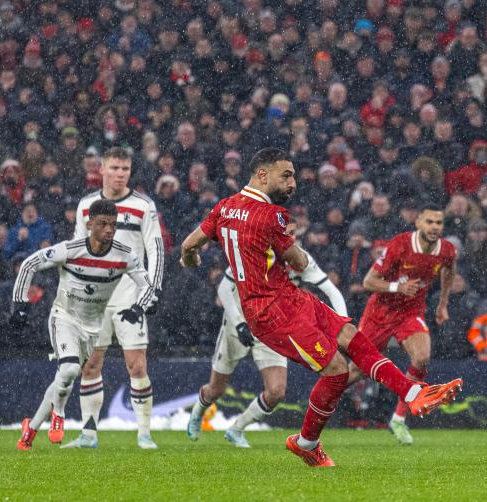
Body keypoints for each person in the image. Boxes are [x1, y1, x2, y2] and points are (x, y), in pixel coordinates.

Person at [179, 148, 461, 467]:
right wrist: (294, 251)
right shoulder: (271, 216)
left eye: (294, 176)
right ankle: (306, 443)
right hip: (271, 311)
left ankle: (413, 394)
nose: (293, 183)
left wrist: (191, 259)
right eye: (286, 175)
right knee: (337, 370)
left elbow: (189, 245)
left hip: (290, 298)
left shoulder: (224, 207)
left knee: (353, 337)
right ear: (262, 175)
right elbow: (299, 262)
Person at [14, 199, 157, 450]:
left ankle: (31, 428)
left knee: (64, 377)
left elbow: (148, 285)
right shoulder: (70, 250)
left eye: (113, 224)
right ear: (90, 224)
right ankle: (59, 414)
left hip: (93, 328)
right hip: (64, 318)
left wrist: (139, 307)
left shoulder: (124, 255)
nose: (109, 229)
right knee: (69, 370)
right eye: (102, 224)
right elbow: (29, 264)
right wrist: (20, 304)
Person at [185, 249, 348, 448]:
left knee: (276, 391)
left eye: (293, 234)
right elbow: (224, 288)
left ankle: (237, 429)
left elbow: (331, 290)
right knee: (216, 389)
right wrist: (239, 323)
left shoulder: (300, 258)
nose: (289, 236)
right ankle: (198, 412)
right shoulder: (254, 248)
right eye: (286, 233)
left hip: (272, 327)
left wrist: (342, 325)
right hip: (239, 324)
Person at [62, 147, 165, 450]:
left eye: (125, 169)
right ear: (102, 169)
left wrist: (153, 290)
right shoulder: (86, 206)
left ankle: (144, 434)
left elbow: (155, 249)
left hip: (130, 297)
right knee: (90, 365)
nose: (120, 174)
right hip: (94, 298)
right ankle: (88, 434)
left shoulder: (143, 205)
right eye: (115, 168)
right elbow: (76, 250)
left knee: (137, 365)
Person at [357, 202, 458, 446]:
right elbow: (368, 282)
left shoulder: (447, 250)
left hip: (411, 312)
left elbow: (449, 270)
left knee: (422, 358)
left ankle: (399, 418)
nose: (434, 227)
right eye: (429, 222)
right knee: (355, 371)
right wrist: (398, 287)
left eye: (439, 222)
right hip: (380, 312)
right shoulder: (400, 244)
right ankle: (319, 410)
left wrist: (443, 304)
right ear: (418, 223)